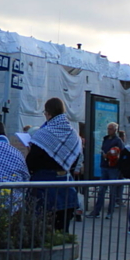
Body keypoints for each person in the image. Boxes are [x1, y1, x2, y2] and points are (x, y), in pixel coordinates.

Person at [27, 98, 83, 232]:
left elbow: (31, 162)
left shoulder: (43, 134)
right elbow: (74, 160)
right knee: (62, 232)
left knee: (42, 233)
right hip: (67, 189)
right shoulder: (73, 134)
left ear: (49, 113)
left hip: (43, 189)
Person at [88, 122, 123, 219]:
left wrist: (109, 155)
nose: (109, 130)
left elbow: (120, 153)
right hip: (104, 166)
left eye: (111, 129)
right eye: (108, 128)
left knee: (112, 191)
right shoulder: (106, 139)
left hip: (113, 168)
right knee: (101, 190)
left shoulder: (118, 141)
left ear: (115, 130)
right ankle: (96, 211)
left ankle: (110, 212)